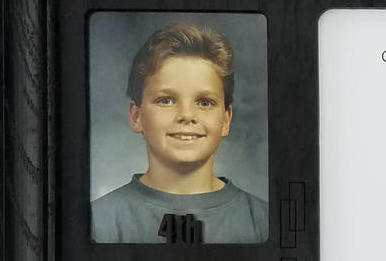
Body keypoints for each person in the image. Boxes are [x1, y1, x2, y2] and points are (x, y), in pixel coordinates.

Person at [92, 23, 268, 243]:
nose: (186, 115)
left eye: (204, 102)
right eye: (166, 100)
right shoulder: (98, 223)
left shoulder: (263, 222)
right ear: (136, 116)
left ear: (225, 120)